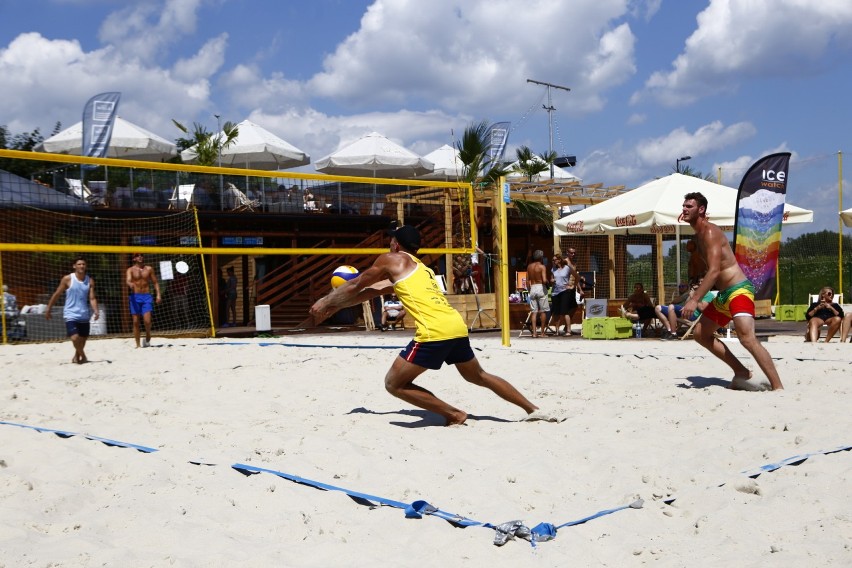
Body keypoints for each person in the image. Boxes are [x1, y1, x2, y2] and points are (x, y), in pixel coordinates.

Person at [309, 224, 557, 425]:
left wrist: (323, 301)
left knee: (393, 384)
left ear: (396, 244)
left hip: (434, 331)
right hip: (455, 326)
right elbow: (369, 292)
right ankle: (532, 409)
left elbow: (356, 284)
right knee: (479, 376)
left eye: (391, 241)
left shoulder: (391, 259)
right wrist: (335, 306)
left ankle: (455, 414)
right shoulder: (421, 269)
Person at [680, 192, 783, 391]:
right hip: (724, 295)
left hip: (739, 291)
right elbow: (706, 271)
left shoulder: (710, 232)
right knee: (701, 334)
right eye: (684, 206)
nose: (684, 209)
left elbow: (714, 271)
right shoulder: (697, 237)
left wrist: (695, 300)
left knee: (747, 339)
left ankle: (778, 387)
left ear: (701, 210)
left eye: (689, 206)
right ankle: (741, 372)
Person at [45, 257, 98, 364]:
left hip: (84, 314)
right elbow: (57, 294)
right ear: (74, 266)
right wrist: (48, 308)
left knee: (82, 340)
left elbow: (92, 298)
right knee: (74, 338)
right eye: (79, 264)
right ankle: (83, 356)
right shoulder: (68, 279)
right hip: (70, 313)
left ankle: (76, 357)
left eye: (83, 264)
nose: (81, 266)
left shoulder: (90, 280)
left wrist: (96, 310)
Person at [126, 252, 161, 348]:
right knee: (136, 322)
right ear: (134, 259)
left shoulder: (149, 269)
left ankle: (148, 333)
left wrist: (158, 294)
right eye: (137, 256)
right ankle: (137, 344)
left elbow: (155, 282)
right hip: (135, 297)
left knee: (147, 321)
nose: (140, 257)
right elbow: (128, 280)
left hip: (146, 296)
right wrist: (130, 284)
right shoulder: (130, 270)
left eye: (141, 255)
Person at [525, 250, 550, 338]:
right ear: (541, 257)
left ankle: (534, 333)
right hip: (540, 287)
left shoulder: (529, 267)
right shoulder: (542, 267)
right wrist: (548, 282)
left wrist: (529, 290)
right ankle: (542, 333)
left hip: (533, 287)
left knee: (534, 312)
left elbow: (527, 281)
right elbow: (544, 280)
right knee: (543, 311)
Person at [548, 253, 573, 336]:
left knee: (565, 311)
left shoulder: (566, 268)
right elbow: (551, 279)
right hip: (555, 292)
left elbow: (575, 276)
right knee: (556, 312)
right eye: (553, 260)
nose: (553, 261)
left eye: (554, 260)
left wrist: (571, 285)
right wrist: (551, 280)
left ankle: (568, 330)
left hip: (564, 291)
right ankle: (557, 331)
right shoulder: (553, 269)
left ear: (559, 260)